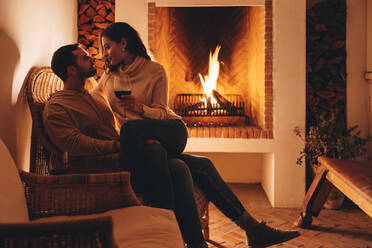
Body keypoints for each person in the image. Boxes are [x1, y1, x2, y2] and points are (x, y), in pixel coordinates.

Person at [92, 22, 301, 247]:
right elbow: (91, 99)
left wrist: (140, 109)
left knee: (131, 129)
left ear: (123, 43)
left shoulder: (155, 71)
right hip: (146, 144)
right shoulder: (109, 76)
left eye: (107, 47)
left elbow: (162, 112)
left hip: (170, 130)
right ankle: (251, 230)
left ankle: (138, 194)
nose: (105, 54)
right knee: (198, 165)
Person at [43, 43, 208, 248]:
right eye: (85, 58)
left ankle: (186, 239)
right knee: (175, 165)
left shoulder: (90, 93)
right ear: (71, 69)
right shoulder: (57, 107)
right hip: (108, 163)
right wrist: (115, 146)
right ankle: (176, 236)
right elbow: (74, 144)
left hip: (129, 151)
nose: (93, 58)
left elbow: (114, 85)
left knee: (194, 163)